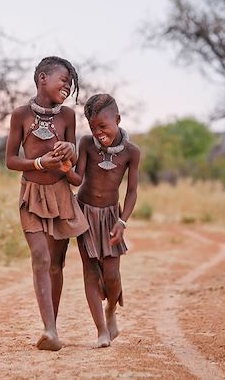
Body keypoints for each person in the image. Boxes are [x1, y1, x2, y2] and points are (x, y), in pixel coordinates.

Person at [5, 56, 89, 351]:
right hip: (32, 195)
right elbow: (10, 160)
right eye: (63, 80)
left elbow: (75, 157)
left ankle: (53, 326)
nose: (67, 86)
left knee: (56, 264)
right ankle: (49, 330)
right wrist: (39, 162)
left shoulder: (67, 116)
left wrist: (70, 149)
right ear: (42, 78)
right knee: (40, 257)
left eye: (70, 83)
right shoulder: (21, 115)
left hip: (61, 195)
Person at [65, 93, 140, 348]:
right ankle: (101, 332)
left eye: (103, 126)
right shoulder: (86, 143)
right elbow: (77, 179)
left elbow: (131, 191)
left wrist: (123, 221)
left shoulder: (131, 152)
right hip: (84, 213)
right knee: (90, 271)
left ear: (117, 119)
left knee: (111, 274)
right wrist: (66, 169)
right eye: (93, 127)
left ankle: (111, 311)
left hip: (111, 218)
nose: (98, 133)